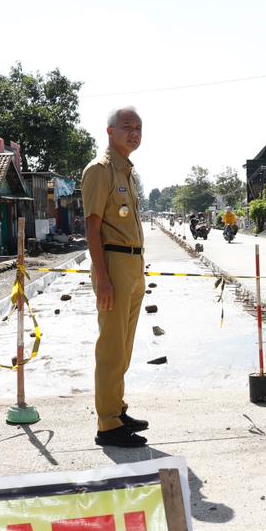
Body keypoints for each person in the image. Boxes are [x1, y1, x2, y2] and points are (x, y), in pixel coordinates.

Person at [84, 106, 148, 448]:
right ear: (110, 131)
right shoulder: (101, 170)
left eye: (138, 127)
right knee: (111, 345)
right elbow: (92, 227)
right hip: (114, 264)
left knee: (123, 345)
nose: (134, 132)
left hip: (133, 266)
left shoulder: (126, 172)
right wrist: (104, 278)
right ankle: (107, 424)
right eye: (127, 126)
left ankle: (117, 410)